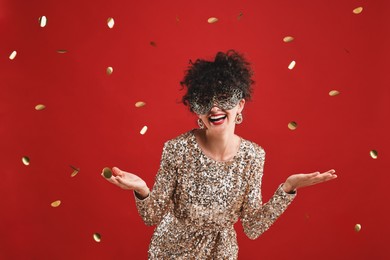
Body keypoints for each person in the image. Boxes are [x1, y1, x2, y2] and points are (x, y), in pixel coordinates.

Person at [103, 50, 337, 259]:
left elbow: (252, 227)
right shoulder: (177, 149)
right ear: (197, 111)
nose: (214, 107)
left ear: (240, 105)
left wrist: (287, 189)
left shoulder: (253, 156)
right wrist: (142, 189)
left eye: (224, 97)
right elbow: (152, 216)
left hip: (222, 253)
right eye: (205, 100)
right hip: (171, 251)